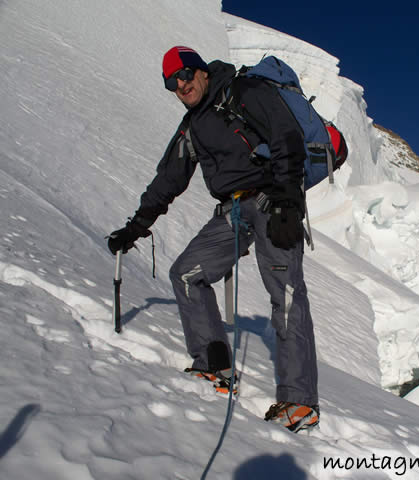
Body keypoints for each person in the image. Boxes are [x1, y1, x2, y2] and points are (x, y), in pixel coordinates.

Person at [108, 46, 319, 433]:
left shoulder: (243, 92)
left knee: (286, 296)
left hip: (273, 201)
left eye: (186, 74)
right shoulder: (191, 127)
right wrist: (136, 226)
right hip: (233, 211)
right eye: (171, 81)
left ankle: (300, 402)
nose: (181, 84)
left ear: (201, 71)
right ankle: (215, 366)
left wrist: (289, 201)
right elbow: (169, 179)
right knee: (186, 273)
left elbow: (287, 136)